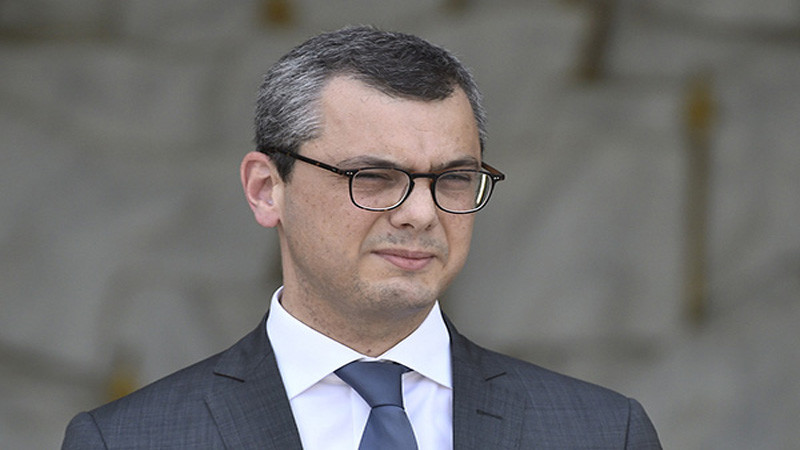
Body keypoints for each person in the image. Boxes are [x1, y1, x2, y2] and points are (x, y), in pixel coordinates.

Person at [62, 26, 661, 449]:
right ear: (267, 189)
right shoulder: (128, 440)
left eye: (452, 178)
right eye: (374, 178)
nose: (421, 214)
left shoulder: (602, 432)